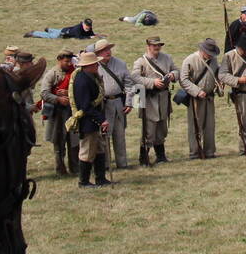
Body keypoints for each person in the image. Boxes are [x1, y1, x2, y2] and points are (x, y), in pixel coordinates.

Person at [67, 51, 111, 187]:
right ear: (89, 65)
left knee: (98, 149)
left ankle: (100, 178)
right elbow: (85, 106)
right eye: (95, 63)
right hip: (88, 122)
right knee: (87, 151)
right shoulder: (82, 81)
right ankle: (84, 181)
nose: (97, 65)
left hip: (94, 121)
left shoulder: (90, 77)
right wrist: (101, 119)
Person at [131, 36, 176, 166]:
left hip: (163, 98)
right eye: (154, 45)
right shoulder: (141, 61)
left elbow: (176, 70)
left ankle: (161, 156)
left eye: (158, 45)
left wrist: (173, 75)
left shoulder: (167, 58)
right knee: (148, 130)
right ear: (148, 46)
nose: (157, 48)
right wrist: (152, 82)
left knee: (161, 129)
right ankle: (143, 158)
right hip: (148, 99)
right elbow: (134, 77)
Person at [92, 39, 136, 169]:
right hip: (102, 105)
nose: (108, 52)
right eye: (104, 50)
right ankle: (105, 165)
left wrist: (129, 103)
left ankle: (122, 163)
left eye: (108, 49)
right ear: (98, 52)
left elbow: (129, 84)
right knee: (104, 136)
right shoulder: (93, 66)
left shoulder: (120, 64)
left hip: (118, 103)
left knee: (120, 135)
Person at [38, 49, 79, 176]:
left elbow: (80, 89)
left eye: (70, 61)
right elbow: (44, 93)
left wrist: (68, 94)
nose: (68, 64)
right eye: (66, 61)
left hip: (72, 111)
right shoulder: (52, 74)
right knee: (58, 143)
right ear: (59, 60)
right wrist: (58, 99)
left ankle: (75, 168)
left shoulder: (75, 72)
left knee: (74, 142)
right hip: (57, 113)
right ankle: (60, 169)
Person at [180, 39, 222, 160]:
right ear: (202, 50)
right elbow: (184, 80)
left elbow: (216, 73)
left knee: (210, 125)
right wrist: (197, 91)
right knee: (195, 126)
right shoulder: (189, 60)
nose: (210, 55)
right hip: (195, 99)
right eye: (208, 52)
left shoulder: (213, 60)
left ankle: (209, 151)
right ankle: (194, 152)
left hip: (209, 97)